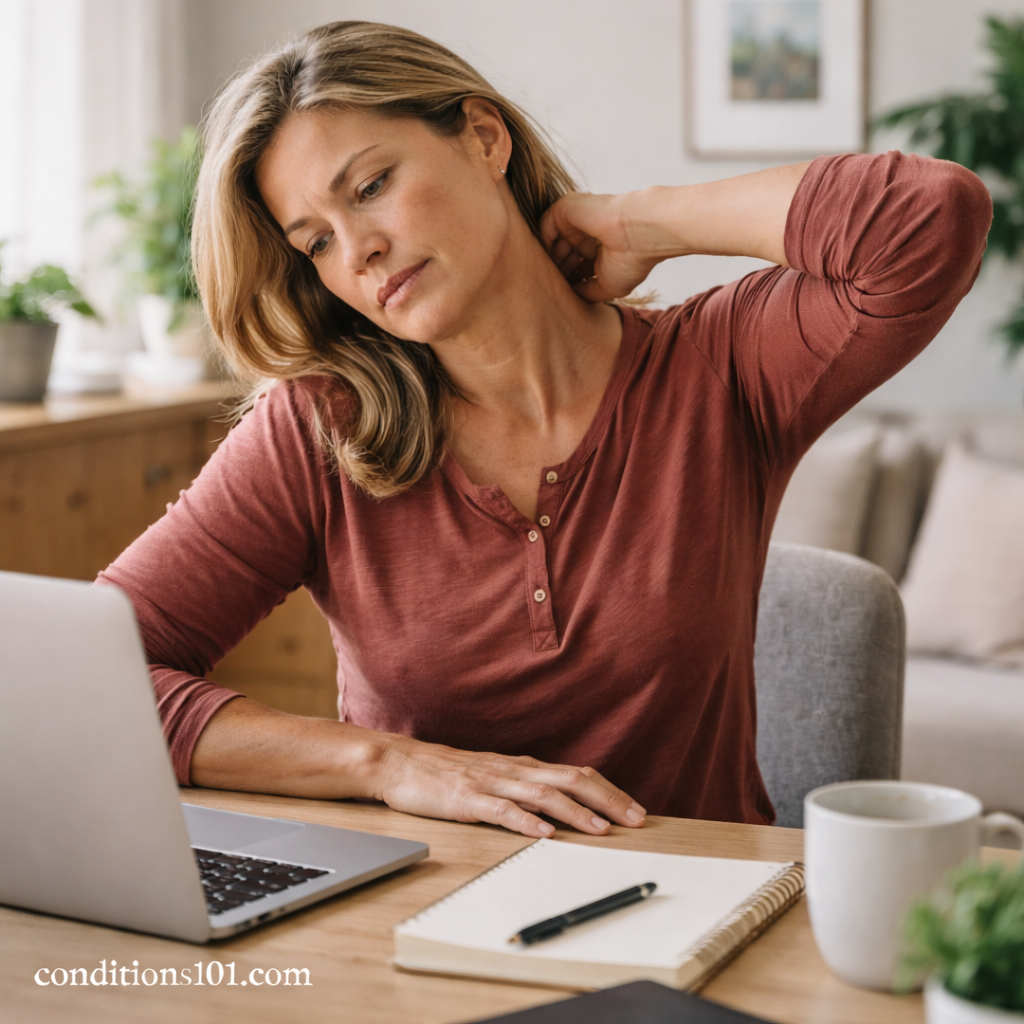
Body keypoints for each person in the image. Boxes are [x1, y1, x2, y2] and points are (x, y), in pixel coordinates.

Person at [98, 21, 991, 838]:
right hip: (411, 927)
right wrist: (383, 764)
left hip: (697, 918)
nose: (357, 250)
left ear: (485, 138)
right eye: (315, 242)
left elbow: (930, 219)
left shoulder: (717, 369)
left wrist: (641, 220)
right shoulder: (321, 429)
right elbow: (96, 675)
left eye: (370, 186)